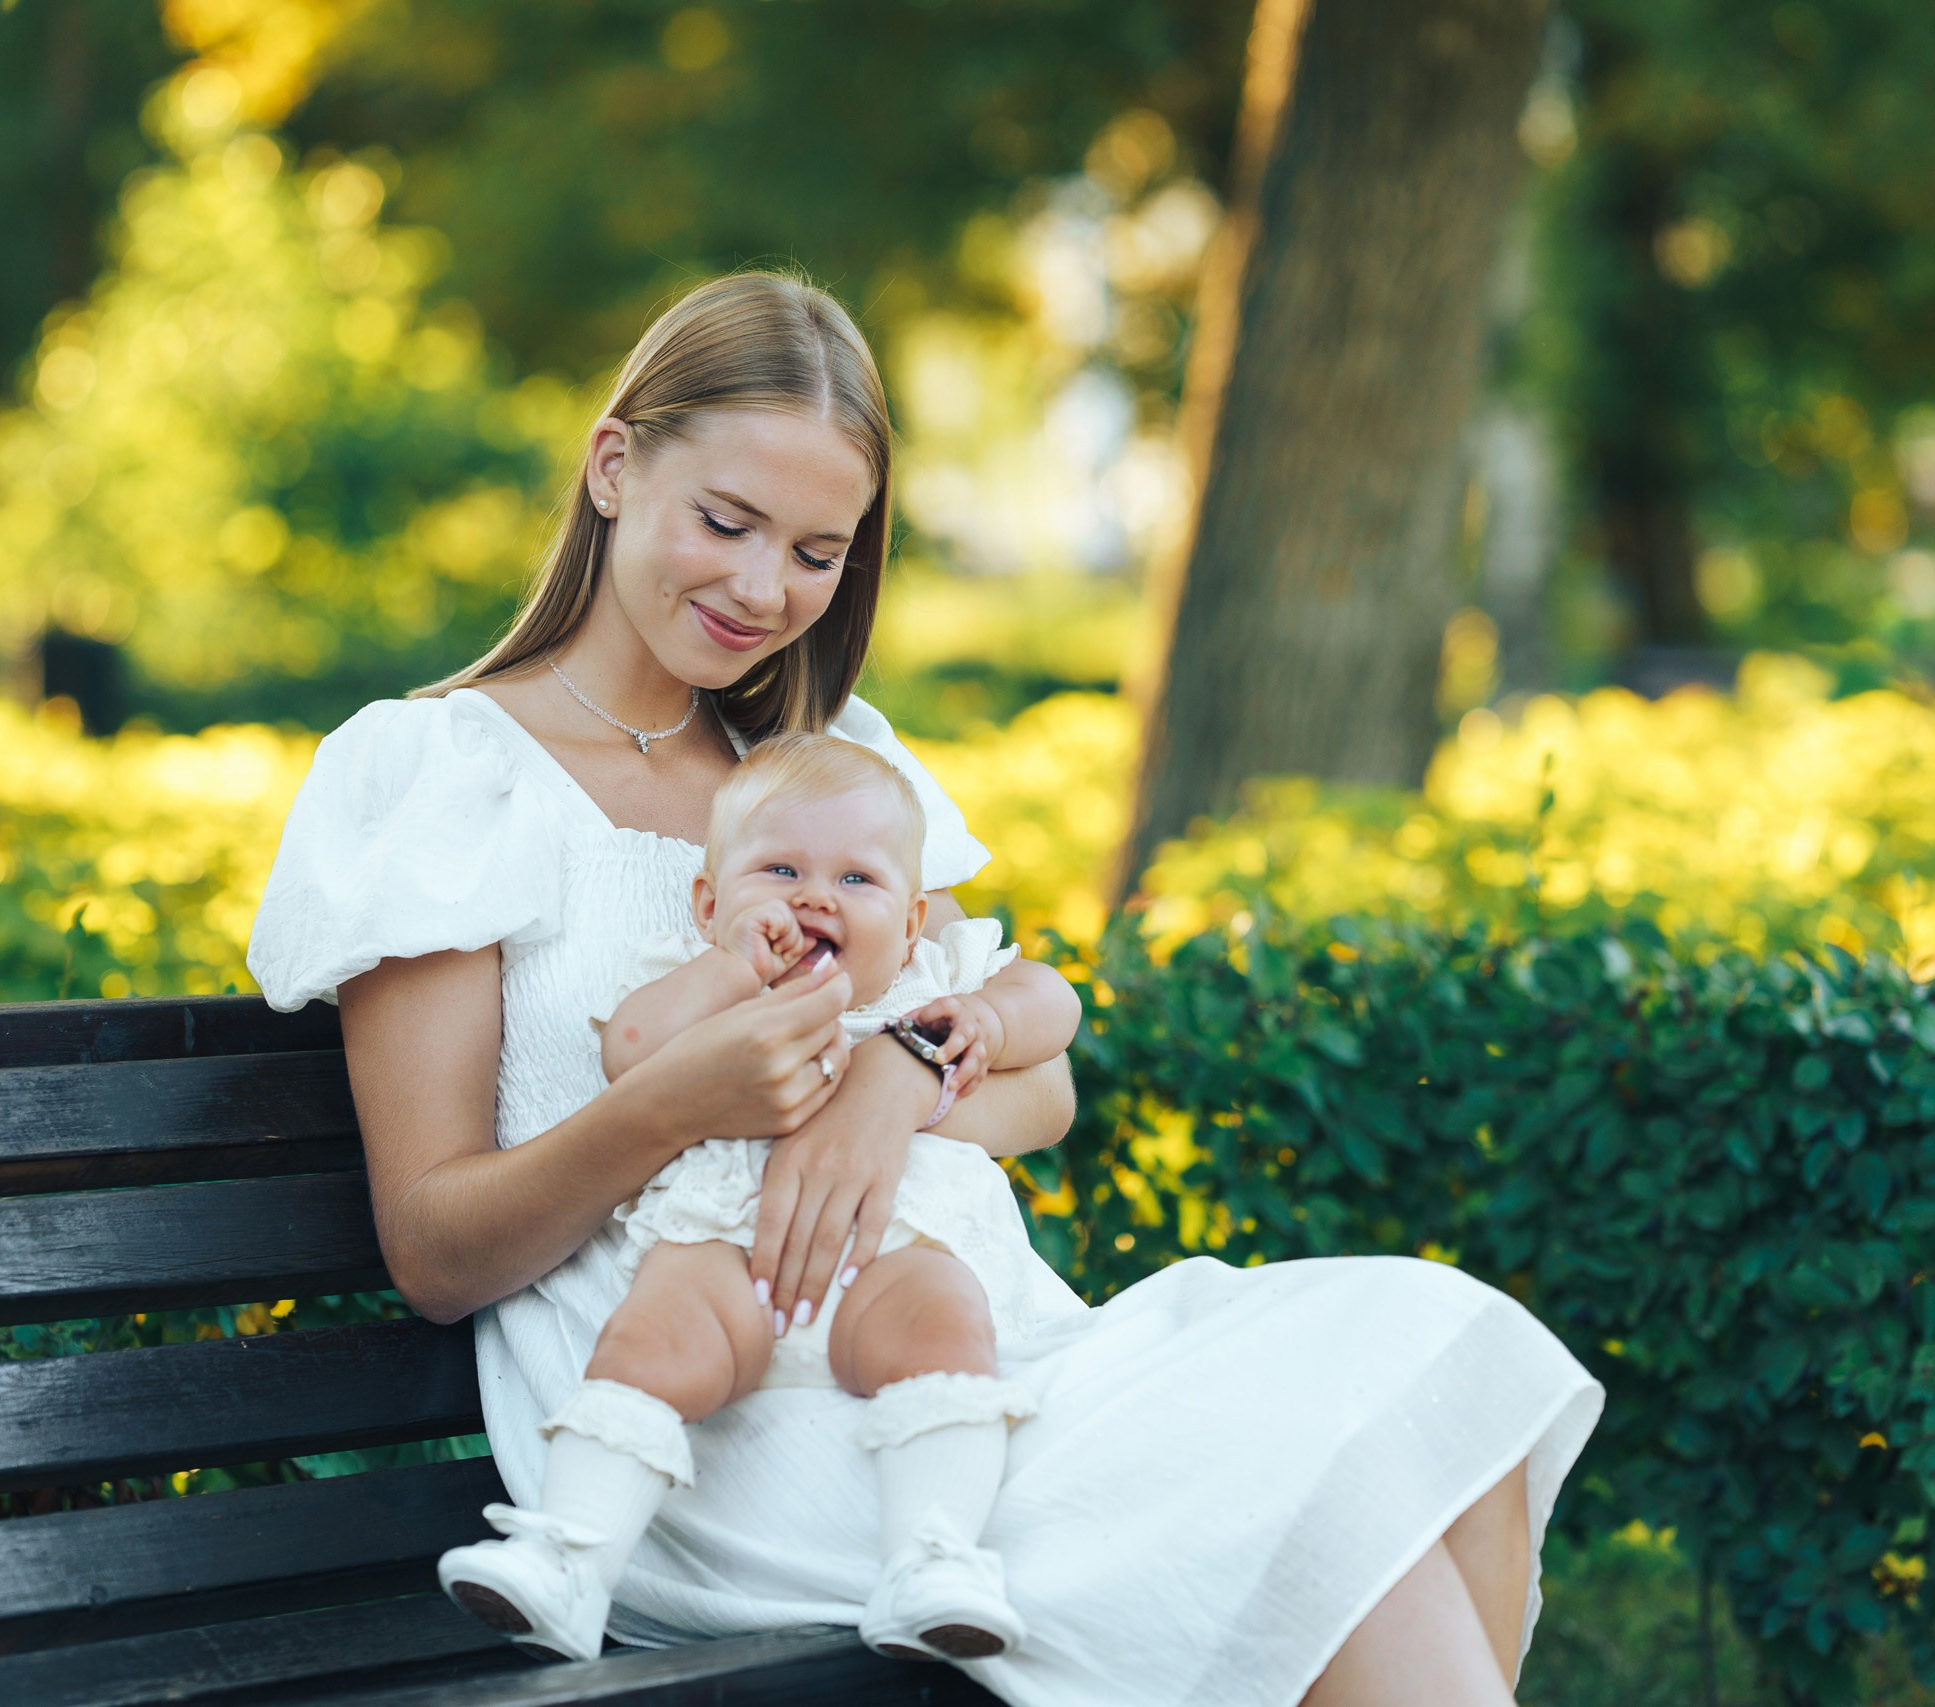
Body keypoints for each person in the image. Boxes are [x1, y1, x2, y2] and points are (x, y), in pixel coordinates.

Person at [248, 269, 1602, 1707]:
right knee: (1325, 1506)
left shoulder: (830, 771)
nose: (766, 588)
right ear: (612, 464)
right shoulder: (441, 773)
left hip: (957, 1356)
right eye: (726, 522)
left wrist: (896, 1077)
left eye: (819, 551)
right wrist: (673, 1103)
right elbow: (438, 1244)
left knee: (1426, 1351)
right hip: (693, 1423)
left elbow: (1045, 1081)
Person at [437, 731, 1081, 1663]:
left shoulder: (925, 989)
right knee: (650, 1337)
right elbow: (630, 1049)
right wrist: (733, 970)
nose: (816, 896)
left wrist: (987, 1016)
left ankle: (935, 1556)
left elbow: (1052, 1002)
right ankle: (569, 1555)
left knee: (946, 1325)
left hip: (889, 1257)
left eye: (858, 880)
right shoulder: (696, 981)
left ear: (910, 924)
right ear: (709, 903)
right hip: (724, 1256)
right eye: (780, 869)